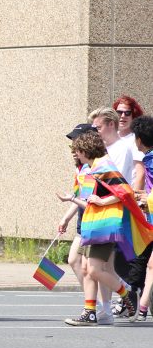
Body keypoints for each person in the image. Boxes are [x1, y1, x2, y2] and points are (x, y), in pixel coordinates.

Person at [64, 131, 137, 326]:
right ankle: (90, 312)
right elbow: (88, 199)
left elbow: (125, 192)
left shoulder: (103, 165)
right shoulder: (90, 167)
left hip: (103, 225)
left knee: (95, 271)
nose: (75, 154)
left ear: (85, 149)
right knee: (87, 270)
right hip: (91, 224)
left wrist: (102, 201)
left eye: (77, 150)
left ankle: (125, 293)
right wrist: (72, 199)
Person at [55, 124, 97, 297]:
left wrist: (71, 199)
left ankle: (100, 301)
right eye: (71, 144)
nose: (73, 149)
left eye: (76, 143)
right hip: (83, 223)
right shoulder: (81, 168)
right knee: (75, 260)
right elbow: (80, 196)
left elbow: (86, 201)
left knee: (94, 269)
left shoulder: (89, 169)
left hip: (93, 223)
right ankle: (93, 300)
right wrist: (65, 218)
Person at [127, 115, 153, 321]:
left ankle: (142, 306)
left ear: (139, 139)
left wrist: (148, 197)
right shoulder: (149, 158)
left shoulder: (151, 159)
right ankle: (143, 307)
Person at [113, 94, 145, 191]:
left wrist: (134, 199)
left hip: (128, 195)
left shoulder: (136, 139)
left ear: (133, 115)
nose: (123, 116)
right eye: (119, 112)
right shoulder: (111, 138)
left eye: (127, 113)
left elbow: (141, 173)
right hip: (111, 195)